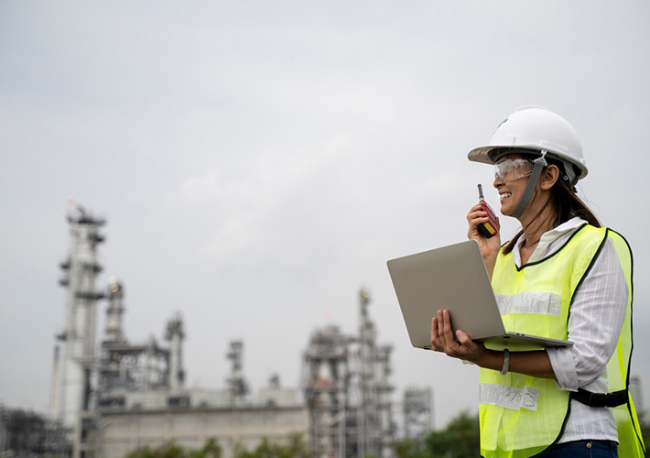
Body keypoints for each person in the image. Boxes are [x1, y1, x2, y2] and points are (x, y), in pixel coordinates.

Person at [429, 106, 645, 458]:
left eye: (508, 167)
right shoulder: (502, 258)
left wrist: (489, 358)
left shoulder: (593, 247)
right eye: (496, 170)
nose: (497, 180)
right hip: (509, 448)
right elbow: (487, 340)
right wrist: (485, 257)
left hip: (575, 443)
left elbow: (585, 360)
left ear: (548, 177)